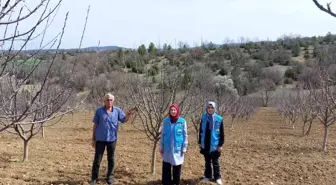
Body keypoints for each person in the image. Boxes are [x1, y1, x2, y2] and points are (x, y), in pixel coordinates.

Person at [90, 93, 137, 185]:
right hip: (100, 139)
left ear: (113, 101)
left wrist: (128, 115)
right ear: (104, 101)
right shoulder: (99, 111)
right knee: (97, 160)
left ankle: (110, 177)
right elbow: (95, 125)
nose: (109, 101)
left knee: (111, 159)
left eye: (111, 100)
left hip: (112, 139)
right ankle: (94, 178)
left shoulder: (117, 111)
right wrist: (93, 138)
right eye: (107, 100)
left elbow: (124, 120)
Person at [160, 104, 188, 185]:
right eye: (171, 110)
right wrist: (161, 146)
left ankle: (176, 182)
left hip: (177, 148)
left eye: (174, 110)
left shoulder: (182, 122)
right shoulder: (165, 121)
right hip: (167, 148)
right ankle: (166, 182)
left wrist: (184, 148)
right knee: (166, 166)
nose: (173, 111)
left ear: (177, 111)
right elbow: (162, 134)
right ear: (169, 111)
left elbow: (185, 135)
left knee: (177, 167)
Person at [198, 101, 224, 185]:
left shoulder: (219, 119)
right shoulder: (203, 117)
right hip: (206, 142)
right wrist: (199, 141)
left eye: (212, 108)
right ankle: (208, 176)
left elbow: (222, 133)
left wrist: (220, 145)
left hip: (215, 144)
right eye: (209, 108)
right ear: (207, 108)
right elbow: (201, 130)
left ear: (214, 108)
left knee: (215, 162)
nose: (210, 109)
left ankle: (217, 177)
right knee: (207, 161)